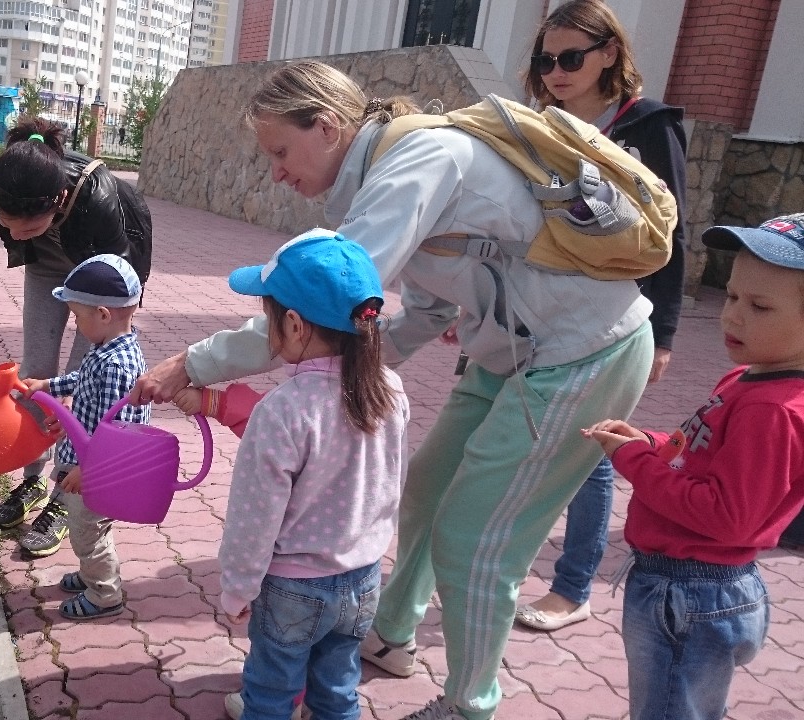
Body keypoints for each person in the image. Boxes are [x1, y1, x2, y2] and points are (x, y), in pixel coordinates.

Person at [130, 59, 657, 720]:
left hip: (583, 350)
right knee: (426, 492)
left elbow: (317, 305)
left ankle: (468, 706)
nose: (277, 173)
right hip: (510, 354)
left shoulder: (416, 164)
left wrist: (192, 364)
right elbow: (427, 313)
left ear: (327, 127)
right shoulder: (392, 171)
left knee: (473, 541)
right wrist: (347, 378)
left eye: (281, 151)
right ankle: (390, 635)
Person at [583, 213, 804, 720]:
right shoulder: (748, 377)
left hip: (693, 594)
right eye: (731, 296)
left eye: (759, 306)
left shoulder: (773, 410)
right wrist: (650, 441)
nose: (732, 317)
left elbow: (729, 517)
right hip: (687, 588)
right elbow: (698, 451)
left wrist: (634, 461)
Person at [513, 0, 689, 632]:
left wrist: (663, 336)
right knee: (518, 439)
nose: (556, 72)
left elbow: (671, 237)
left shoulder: (646, 126)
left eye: (571, 58)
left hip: (614, 319)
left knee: (588, 451)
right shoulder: (540, 126)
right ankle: (501, 565)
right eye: (545, 61)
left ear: (609, 52)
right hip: (539, 312)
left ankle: (572, 588)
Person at [183, 229, 408, 720]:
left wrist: (238, 587)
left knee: (269, 695)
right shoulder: (391, 390)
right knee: (338, 691)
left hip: (293, 589)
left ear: (293, 324)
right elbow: (390, 485)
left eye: (268, 318)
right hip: (364, 579)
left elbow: (253, 516)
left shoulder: (284, 410)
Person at [0, 117, 152, 557]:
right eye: (7, 227)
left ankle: (65, 496)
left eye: (28, 229)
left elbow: (124, 283)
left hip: (102, 285)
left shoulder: (97, 195)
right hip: (47, 271)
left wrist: (91, 371)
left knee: (86, 383)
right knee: (36, 374)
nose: (15, 235)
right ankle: (31, 479)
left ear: (58, 200)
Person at [20, 254, 150, 620]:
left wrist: (88, 470)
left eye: (77, 317)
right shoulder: (110, 349)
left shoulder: (116, 366)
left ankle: (105, 595)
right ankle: (92, 573)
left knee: (88, 533)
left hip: (98, 473)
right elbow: (83, 378)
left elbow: (116, 433)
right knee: (89, 530)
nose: (75, 324)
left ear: (103, 315)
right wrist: (50, 385)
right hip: (89, 464)